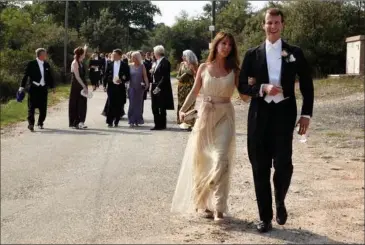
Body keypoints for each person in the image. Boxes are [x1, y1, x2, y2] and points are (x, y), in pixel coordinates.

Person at [238, 8, 314, 232]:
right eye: (269, 22)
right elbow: (242, 85)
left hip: (284, 115)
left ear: (282, 25)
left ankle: (280, 198)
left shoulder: (294, 52)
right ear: (263, 25)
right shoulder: (252, 54)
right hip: (259, 115)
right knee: (259, 167)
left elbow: (308, 86)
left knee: (283, 165)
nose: (272, 26)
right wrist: (262, 88)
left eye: (276, 22)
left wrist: (306, 115)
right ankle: (265, 217)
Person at [171, 32, 249, 222]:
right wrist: (182, 109)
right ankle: (203, 203)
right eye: (223, 43)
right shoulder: (204, 68)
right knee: (203, 160)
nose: (227, 47)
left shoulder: (235, 71)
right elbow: (194, 91)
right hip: (205, 115)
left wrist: (256, 87)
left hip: (225, 115)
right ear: (216, 45)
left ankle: (219, 208)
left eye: (230, 45)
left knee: (222, 159)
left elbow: (245, 96)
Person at [19, 48, 55, 131]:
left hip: (43, 88)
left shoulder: (46, 64)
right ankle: (31, 124)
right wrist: (22, 87)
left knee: (43, 107)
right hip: (33, 88)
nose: (46, 55)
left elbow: (50, 76)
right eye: (45, 54)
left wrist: (52, 87)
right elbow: (25, 75)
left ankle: (40, 122)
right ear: (40, 55)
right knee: (31, 107)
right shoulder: (31, 64)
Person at [103, 49, 130, 127]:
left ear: (119, 56)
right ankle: (109, 121)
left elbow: (128, 76)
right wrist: (105, 85)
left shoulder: (125, 65)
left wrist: (121, 80)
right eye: (112, 55)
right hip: (111, 86)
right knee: (110, 103)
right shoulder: (109, 64)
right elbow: (106, 75)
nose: (113, 56)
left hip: (120, 87)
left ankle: (117, 120)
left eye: (115, 55)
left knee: (119, 104)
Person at [150, 45, 174, 130]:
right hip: (154, 85)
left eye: (154, 52)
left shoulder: (165, 62)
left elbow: (165, 77)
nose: (153, 54)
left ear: (158, 53)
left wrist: (158, 87)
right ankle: (157, 124)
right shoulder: (156, 62)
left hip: (161, 87)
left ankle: (162, 125)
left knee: (161, 107)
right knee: (154, 106)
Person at [176, 50, 199, 131]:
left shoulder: (194, 64)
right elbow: (177, 76)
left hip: (190, 87)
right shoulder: (182, 64)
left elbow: (196, 76)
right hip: (181, 87)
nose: (182, 57)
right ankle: (182, 122)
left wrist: (190, 72)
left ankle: (190, 123)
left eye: (184, 56)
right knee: (181, 104)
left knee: (190, 104)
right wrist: (182, 76)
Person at [69, 45, 89, 129]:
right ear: (81, 54)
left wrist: (85, 48)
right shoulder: (75, 63)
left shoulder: (80, 61)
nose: (85, 54)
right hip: (77, 86)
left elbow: (82, 51)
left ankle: (81, 121)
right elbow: (77, 76)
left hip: (82, 84)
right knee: (76, 103)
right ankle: (75, 122)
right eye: (84, 53)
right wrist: (84, 86)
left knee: (83, 103)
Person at [127, 52, 149, 127]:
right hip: (131, 87)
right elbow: (127, 77)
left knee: (138, 104)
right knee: (132, 104)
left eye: (133, 57)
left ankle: (137, 120)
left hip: (140, 88)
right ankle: (131, 120)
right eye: (131, 57)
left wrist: (147, 84)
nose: (131, 58)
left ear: (137, 58)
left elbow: (145, 76)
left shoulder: (142, 66)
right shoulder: (129, 66)